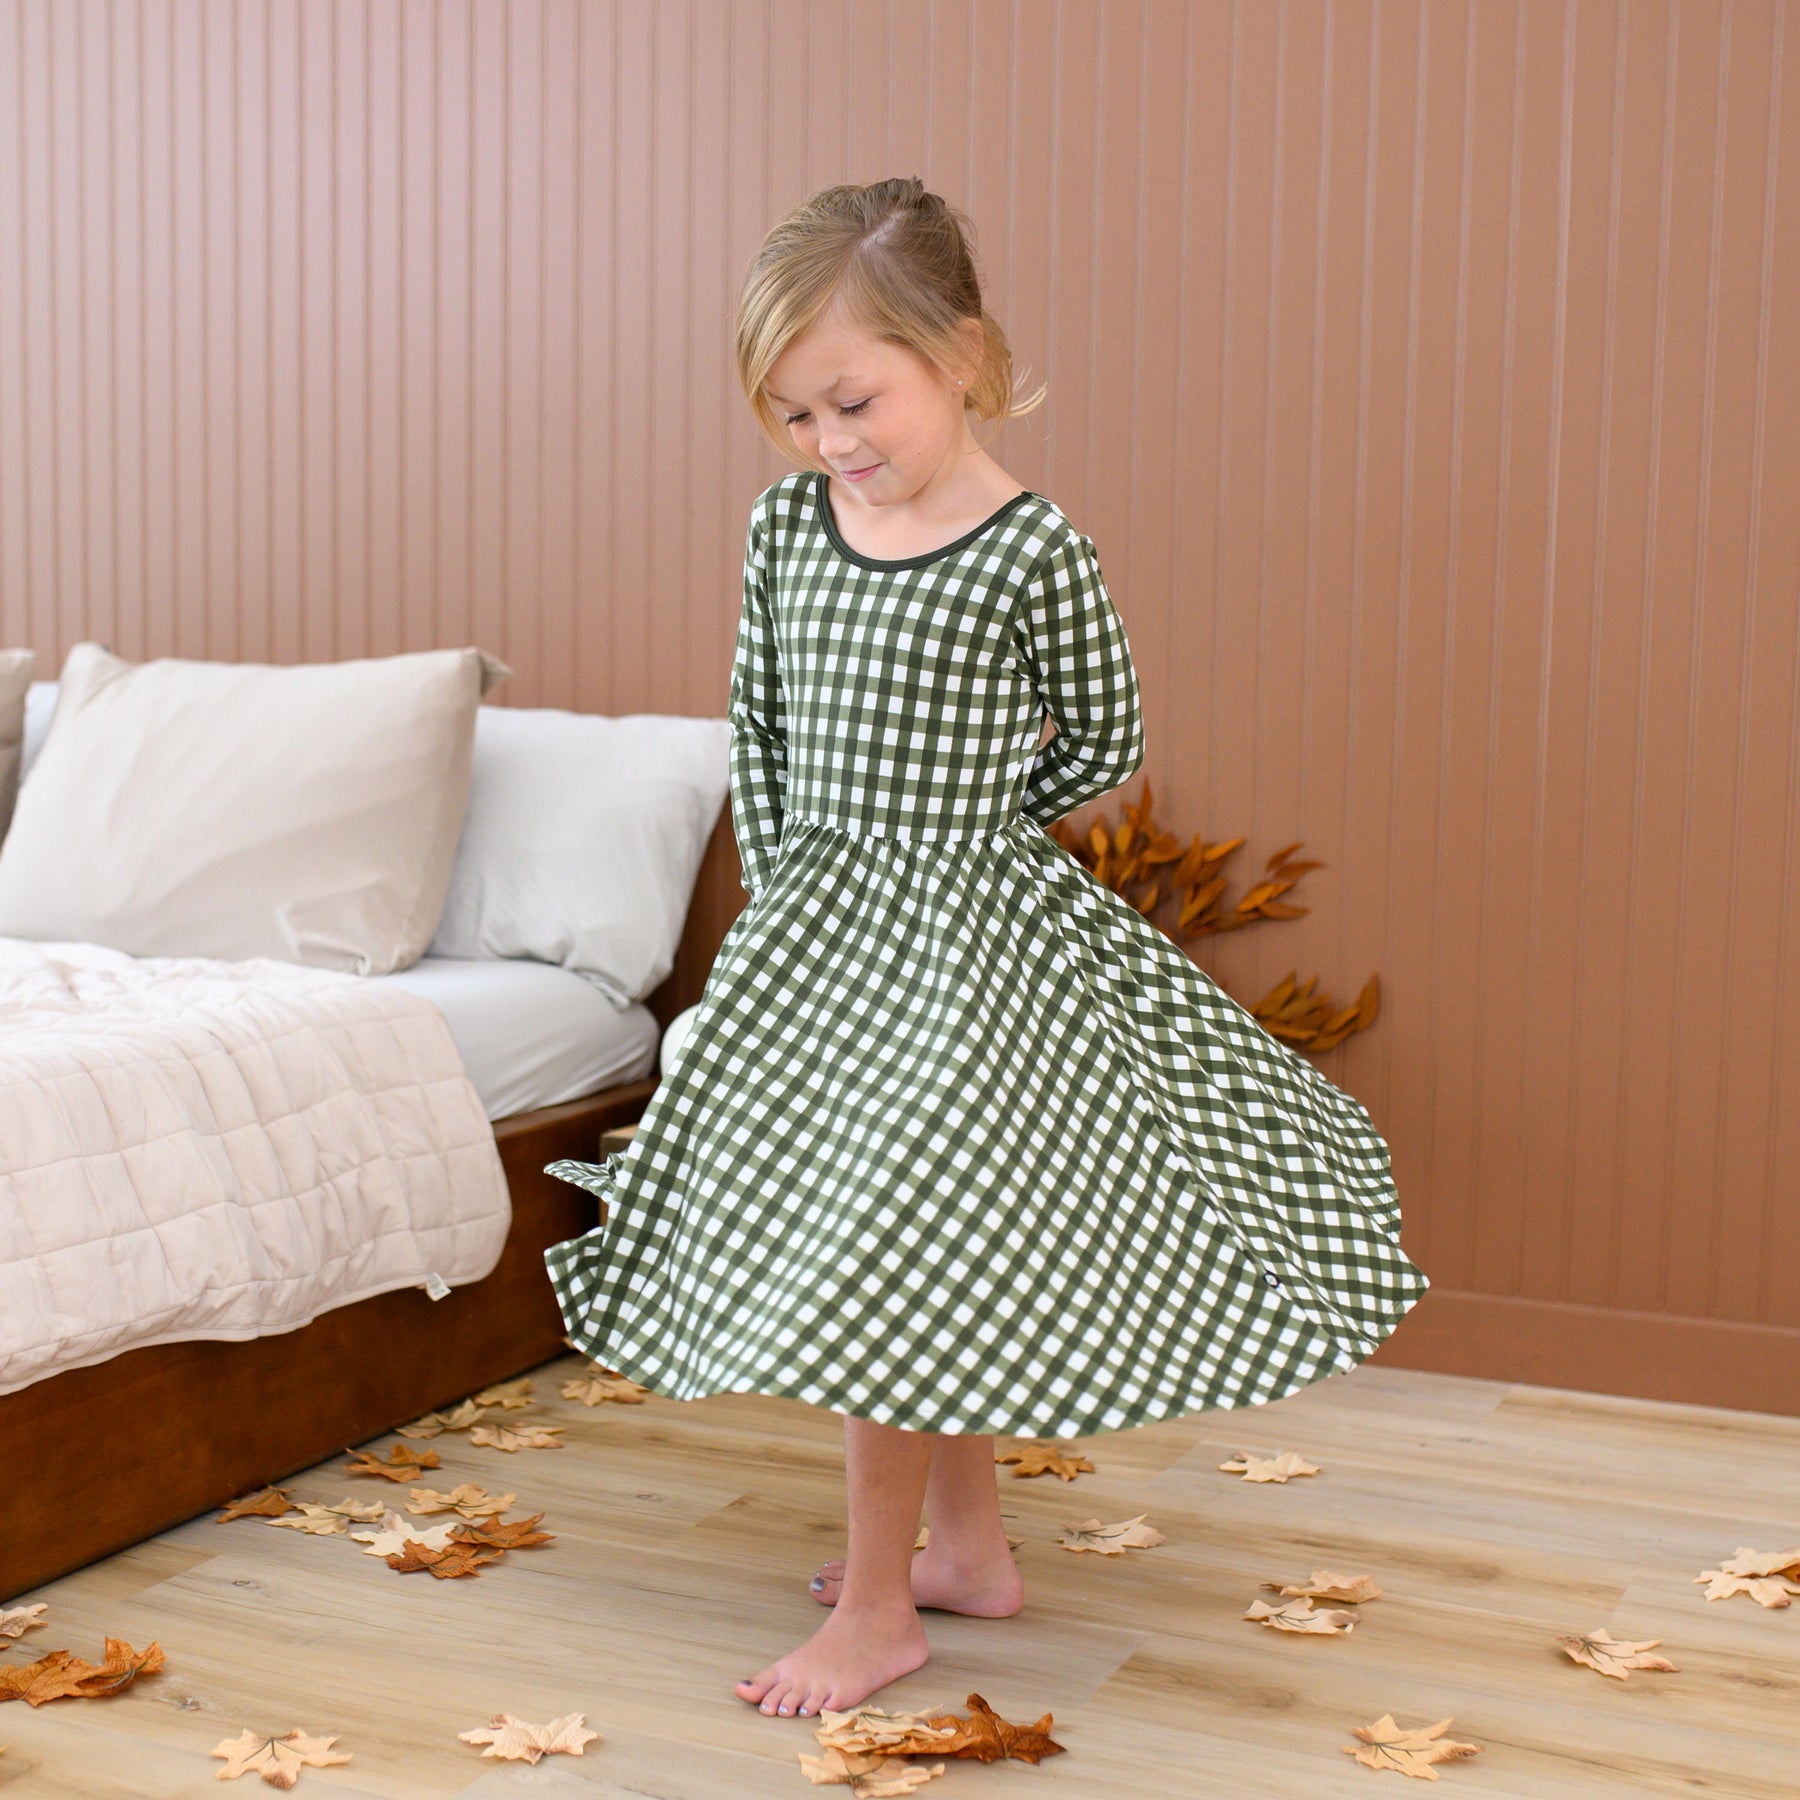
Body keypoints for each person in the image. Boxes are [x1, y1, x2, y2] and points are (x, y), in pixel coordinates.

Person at [540, 176, 1430, 1722]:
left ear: (957, 353)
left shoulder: (1029, 550)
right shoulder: (787, 528)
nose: (833, 441)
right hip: (821, 934)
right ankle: (967, 1550)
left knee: (903, 1258)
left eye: (856, 398)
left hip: (968, 951)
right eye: (796, 412)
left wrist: (959, 836)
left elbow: (1104, 737)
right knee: (921, 1252)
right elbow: (758, 715)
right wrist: (794, 896)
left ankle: (879, 1611)